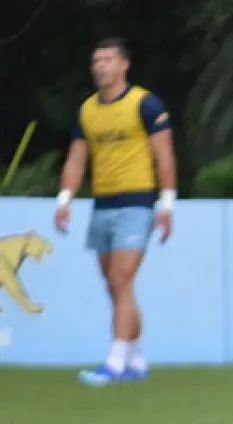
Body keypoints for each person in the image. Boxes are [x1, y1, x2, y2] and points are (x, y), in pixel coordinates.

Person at [55, 37, 176, 386]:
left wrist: (166, 203)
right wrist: (64, 199)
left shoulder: (145, 104)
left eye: (107, 59)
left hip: (137, 202)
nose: (100, 66)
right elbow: (77, 158)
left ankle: (115, 361)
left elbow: (164, 154)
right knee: (115, 285)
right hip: (102, 203)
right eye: (96, 60)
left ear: (124, 64)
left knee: (122, 278)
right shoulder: (88, 110)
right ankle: (136, 360)